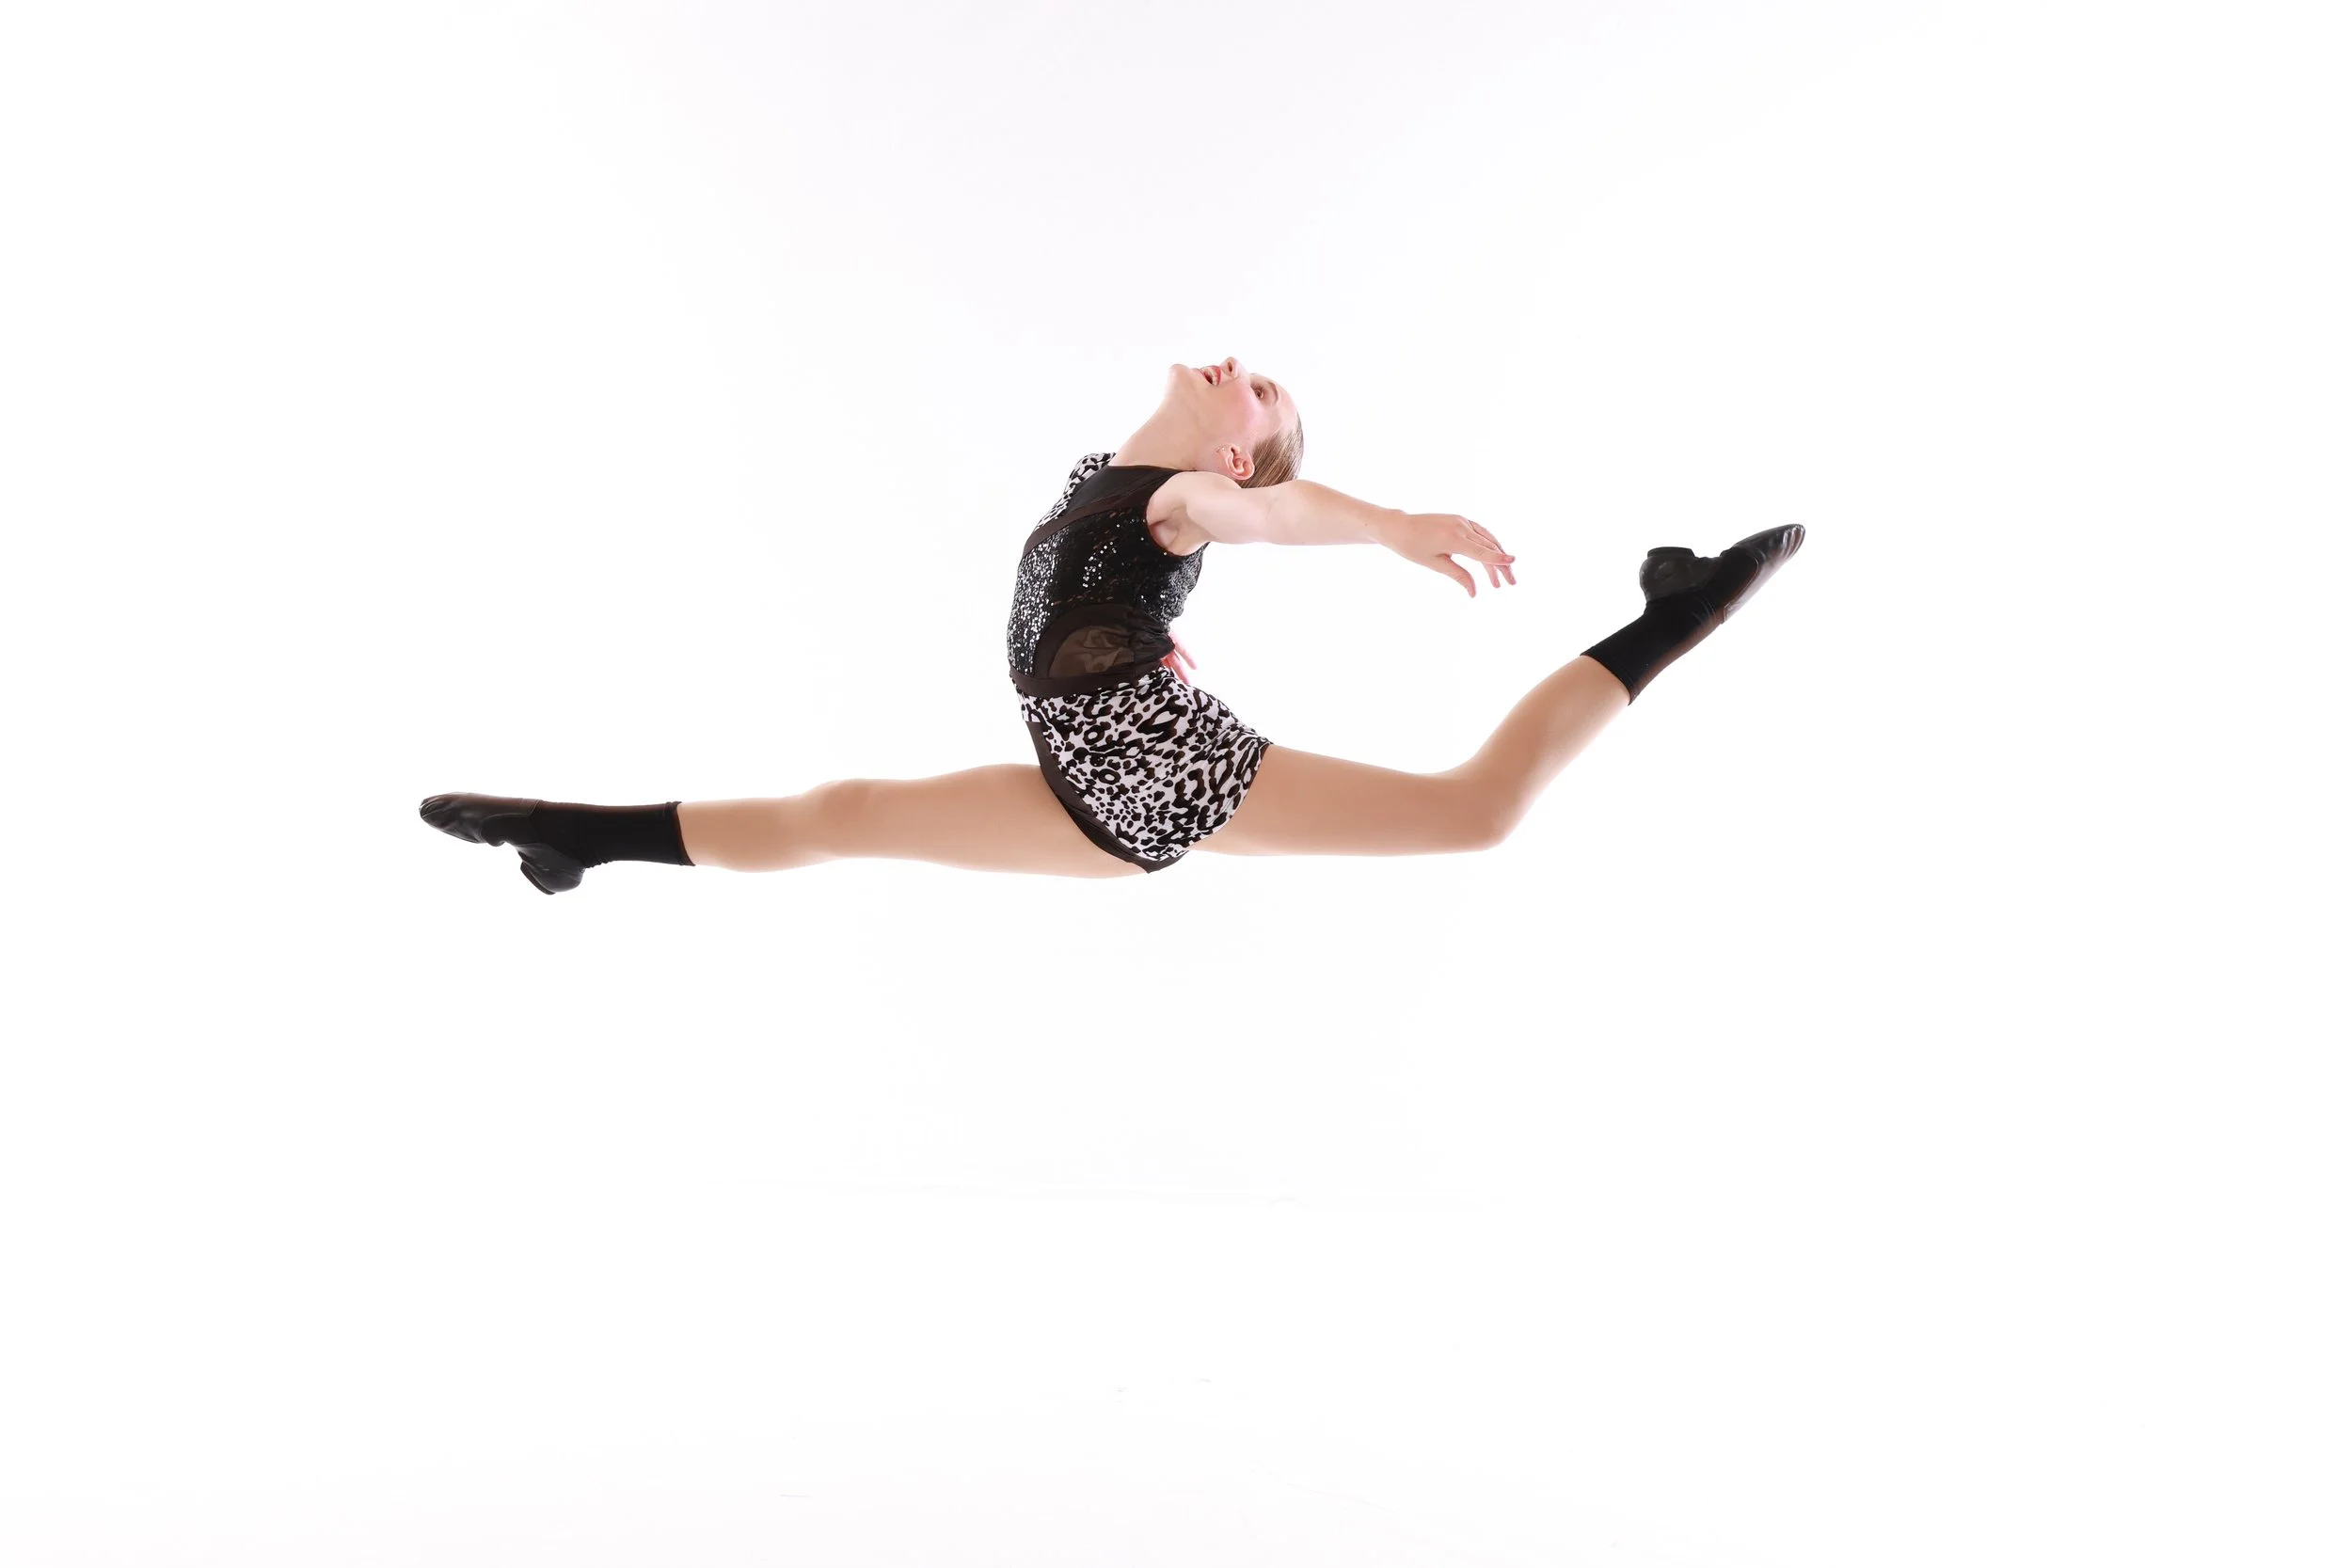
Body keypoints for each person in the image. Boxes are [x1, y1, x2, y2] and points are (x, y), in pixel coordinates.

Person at [421, 356, 1803, 892]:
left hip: (1156, 764)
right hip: (1102, 781)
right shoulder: (1106, 481)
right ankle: (573, 834)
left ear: (1249, 454)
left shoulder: (1189, 495)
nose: (1238, 375)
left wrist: (1390, 525)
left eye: (1260, 393)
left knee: (1481, 809)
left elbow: (1272, 516)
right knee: (838, 809)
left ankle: (1675, 616)